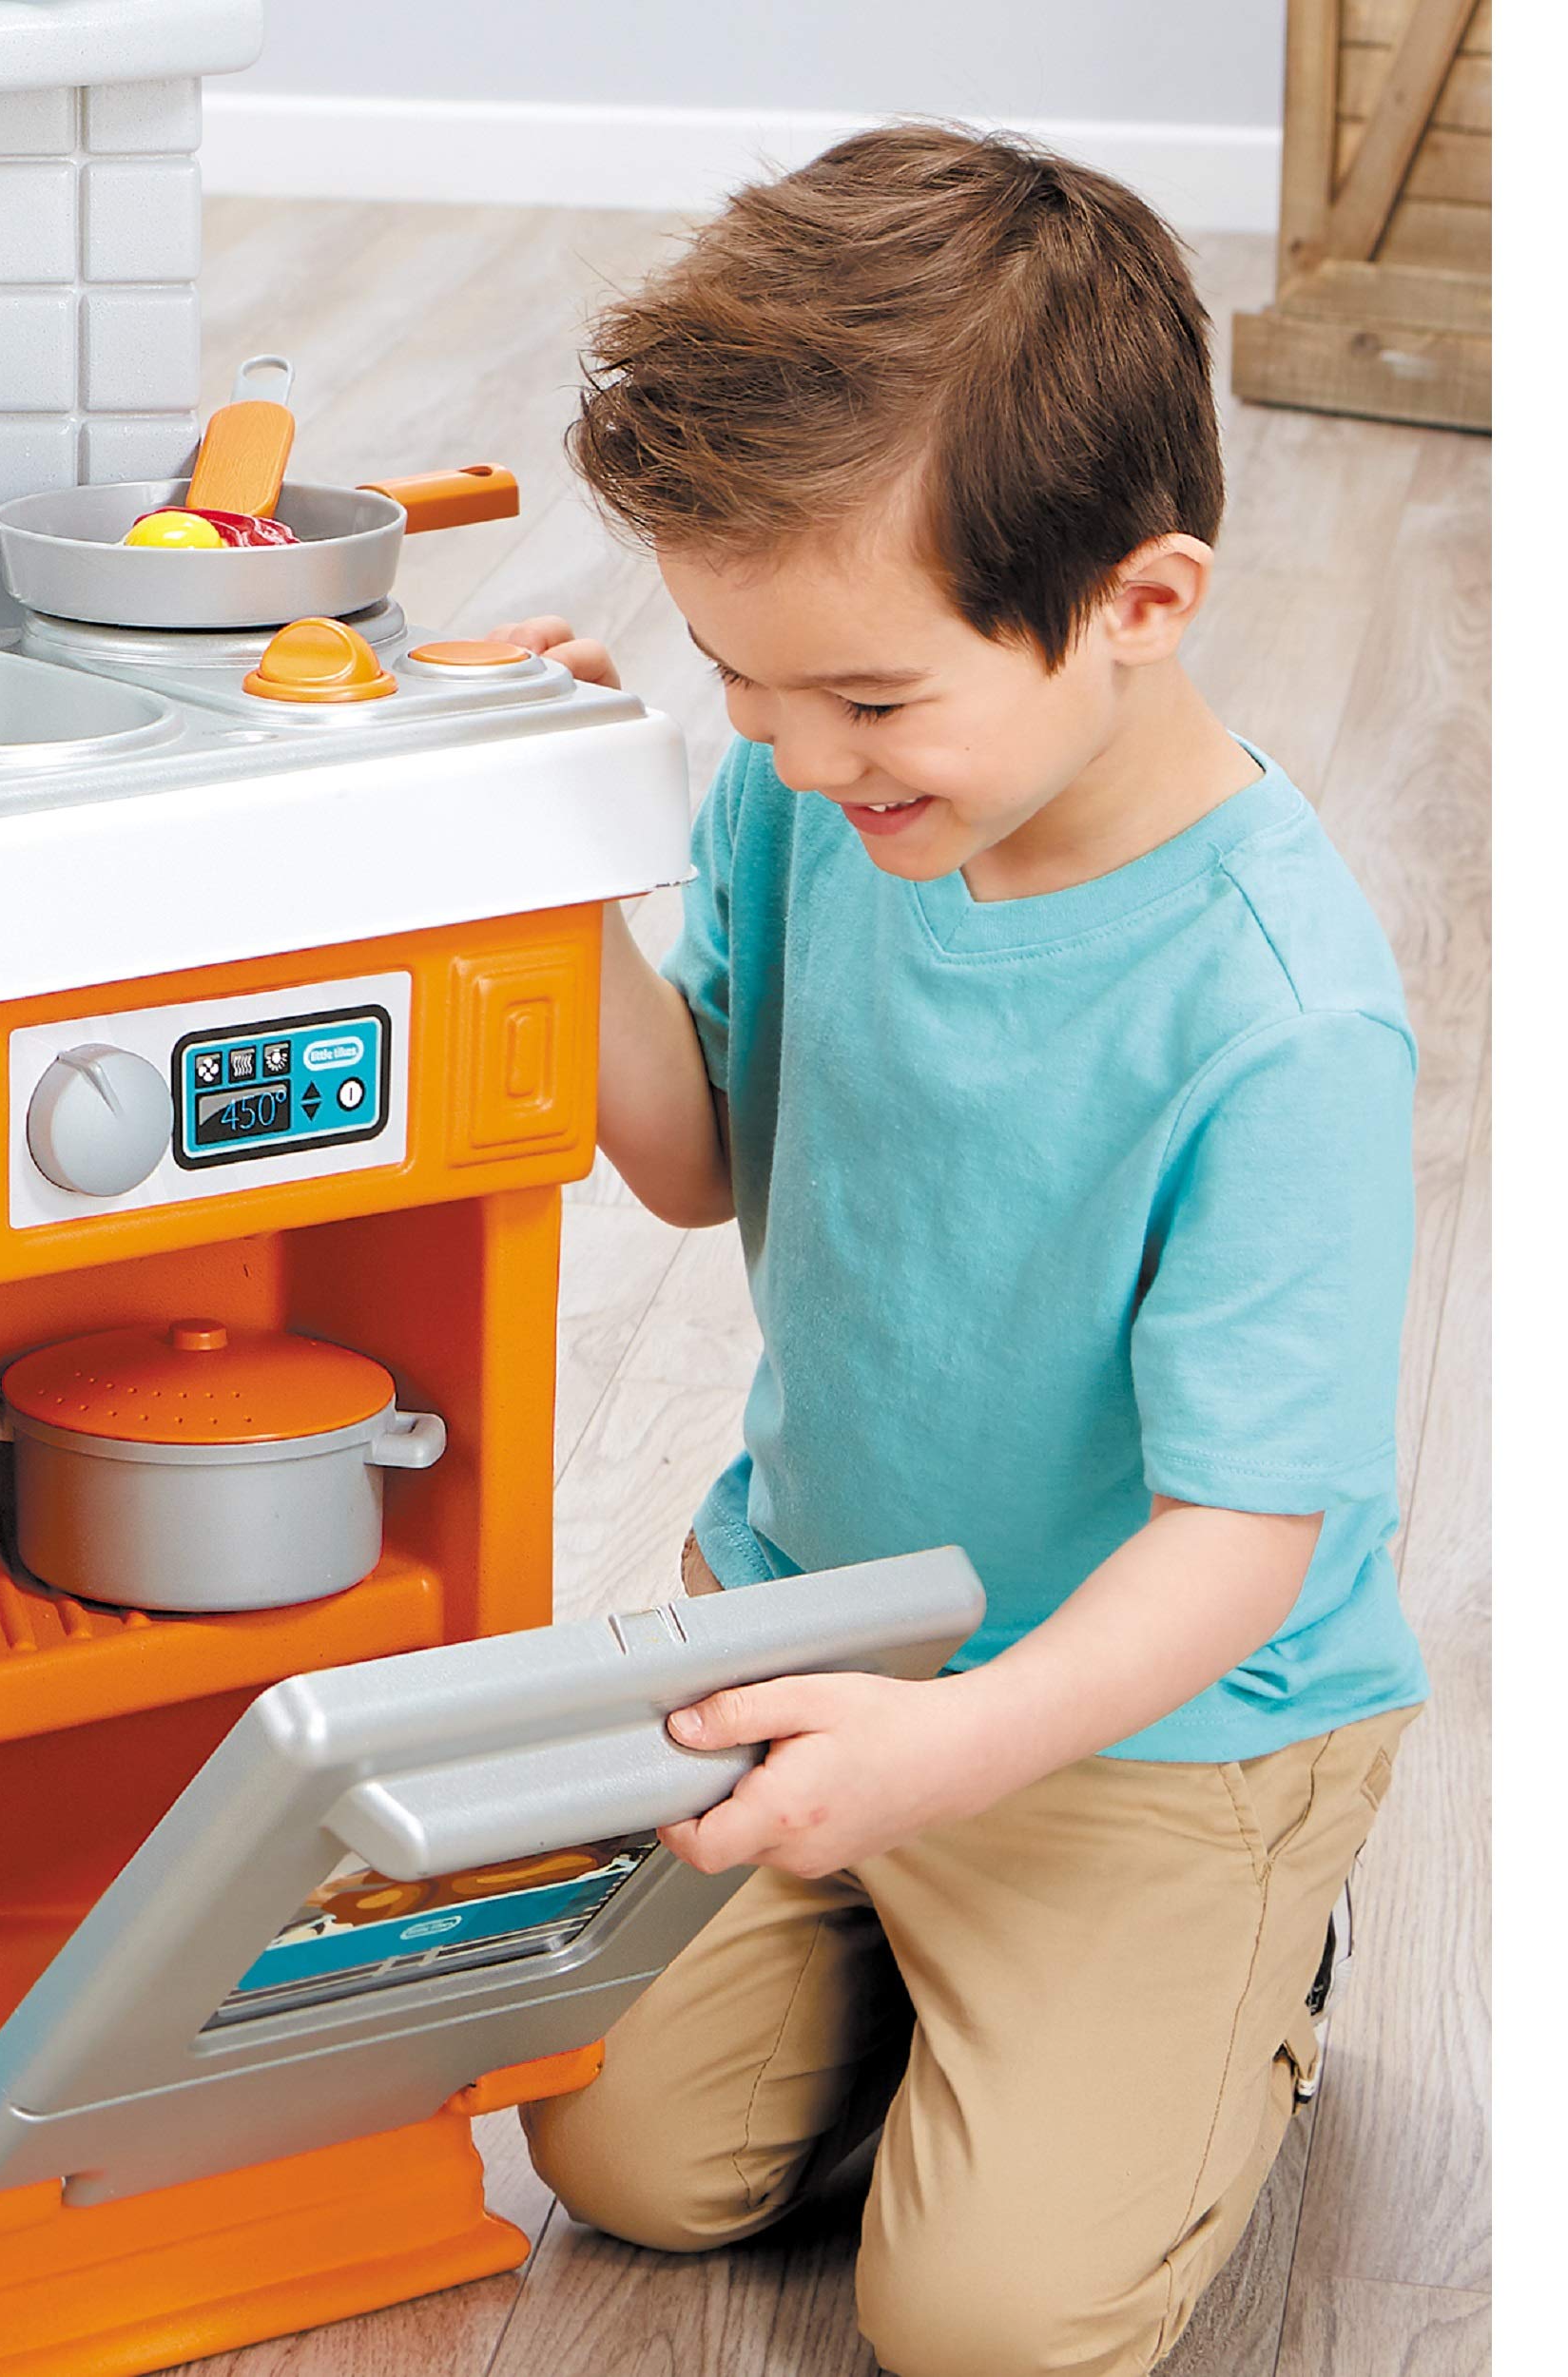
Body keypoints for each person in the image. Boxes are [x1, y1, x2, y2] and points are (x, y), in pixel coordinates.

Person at [502, 126, 1428, 2377]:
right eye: (737, 682)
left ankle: (1235, 1982)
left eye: (864, 699)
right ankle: (951, 2015)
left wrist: (953, 1753)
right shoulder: (817, 793)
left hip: (1144, 1725)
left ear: (1139, 603)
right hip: (823, 1627)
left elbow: (1238, 1536)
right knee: (615, 2149)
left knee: (986, 2327)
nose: (790, 751)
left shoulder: (1275, 1014)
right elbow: (689, 1162)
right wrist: (556, 860)